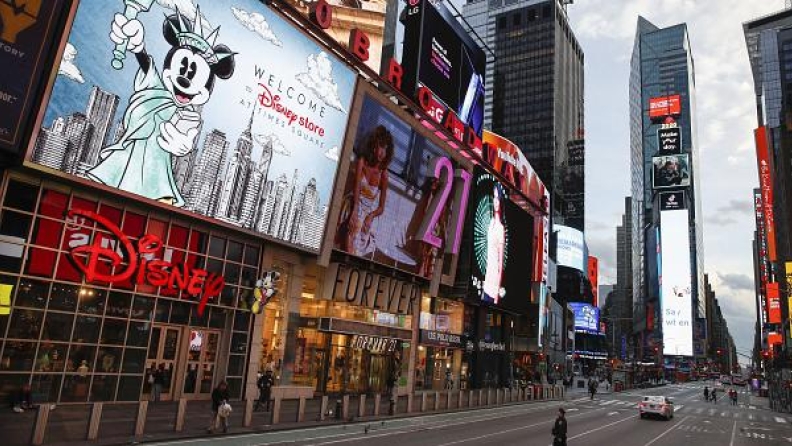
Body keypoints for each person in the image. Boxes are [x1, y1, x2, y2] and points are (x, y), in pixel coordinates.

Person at [336, 125, 394, 256]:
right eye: (381, 147)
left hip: (366, 213)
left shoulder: (384, 174)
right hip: (353, 204)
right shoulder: (362, 162)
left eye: (385, 149)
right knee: (354, 225)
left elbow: (381, 208)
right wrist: (355, 210)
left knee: (359, 232)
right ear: (374, 146)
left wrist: (371, 216)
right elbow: (356, 188)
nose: (382, 153)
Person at [482, 184, 506, 305]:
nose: (495, 201)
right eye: (494, 197)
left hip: (493, 286)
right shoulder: (491, 222)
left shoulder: (501, 229)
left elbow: (500, 264)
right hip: (486, 282)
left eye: (498, 198)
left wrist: (497, 294)